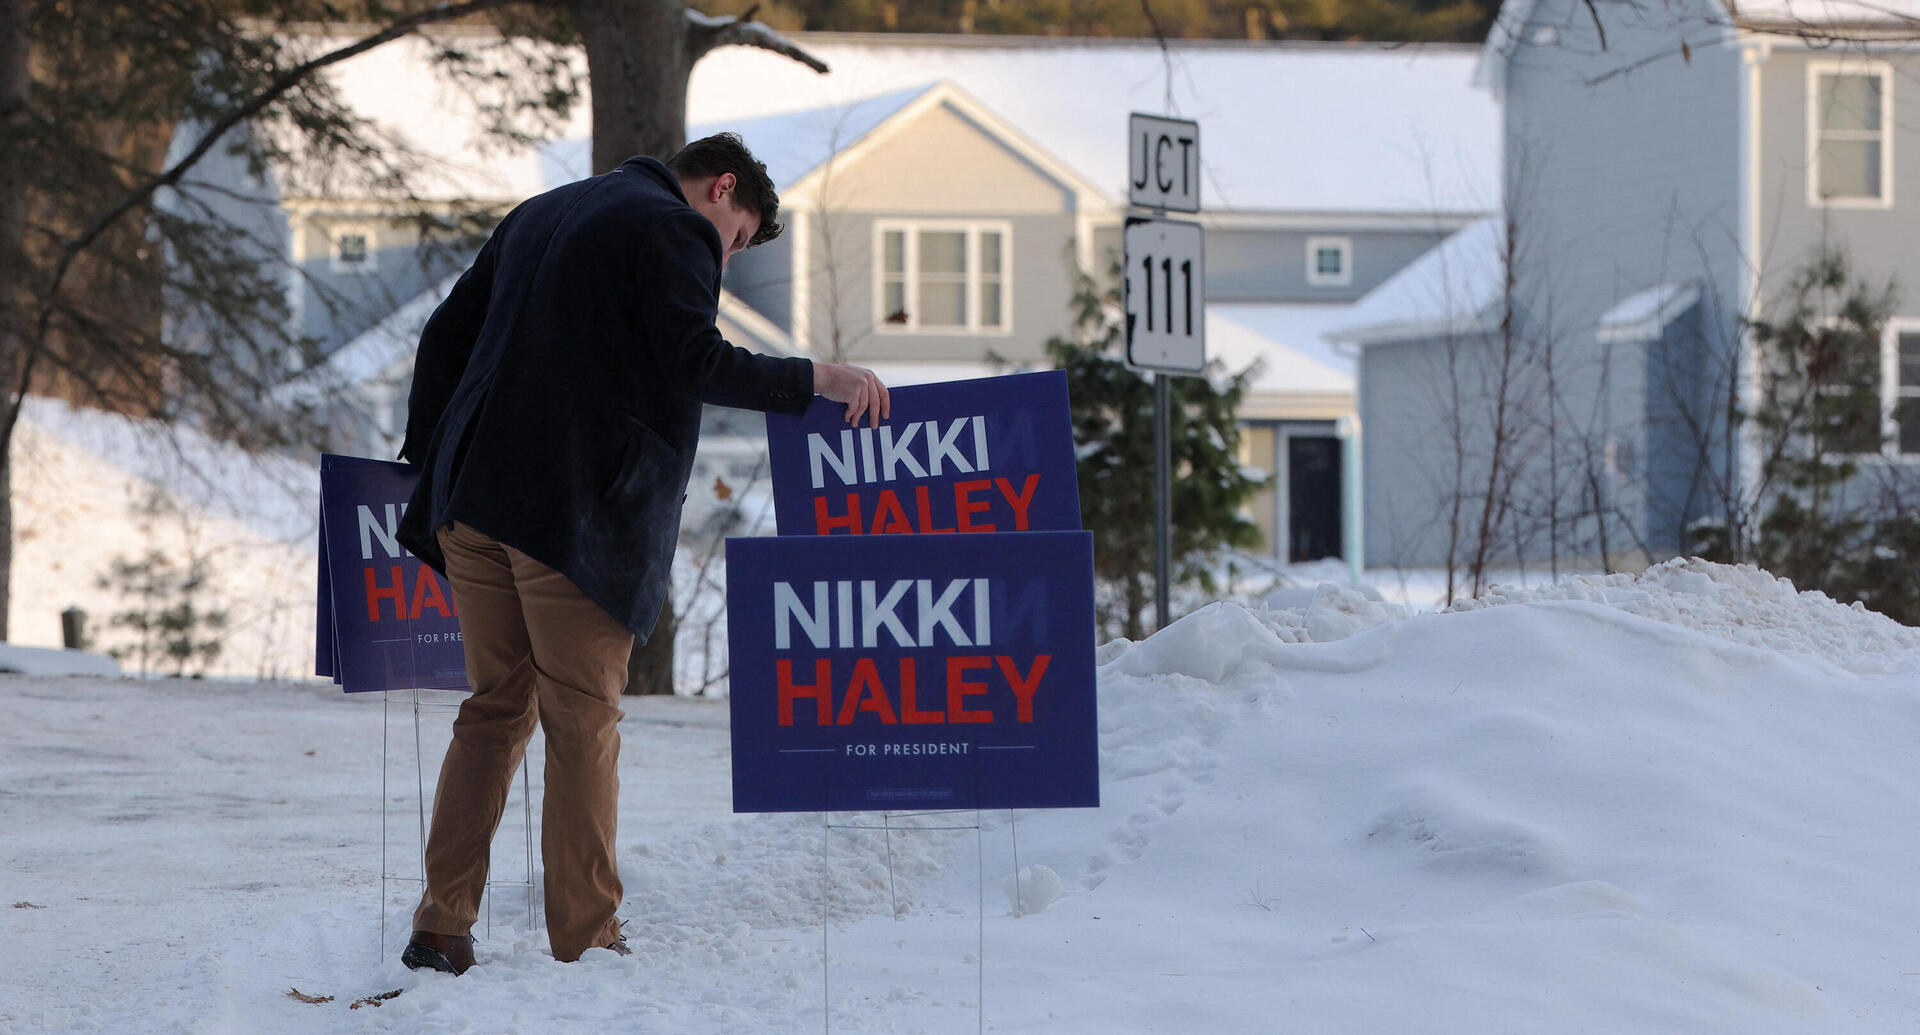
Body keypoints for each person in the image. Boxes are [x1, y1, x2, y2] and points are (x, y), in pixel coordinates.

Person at [393, 133, 888, 974]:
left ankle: (442, 925)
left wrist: (436, 455)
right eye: (735, 238)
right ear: (720, 188)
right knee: (582, 719)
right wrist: (819, 380)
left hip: (470, 504)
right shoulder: (673, 227)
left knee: (493, 710)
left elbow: (445, 335)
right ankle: (586, 937)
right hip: (573, 516)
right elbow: (694, 360)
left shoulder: (542, 211)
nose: (723, 258)